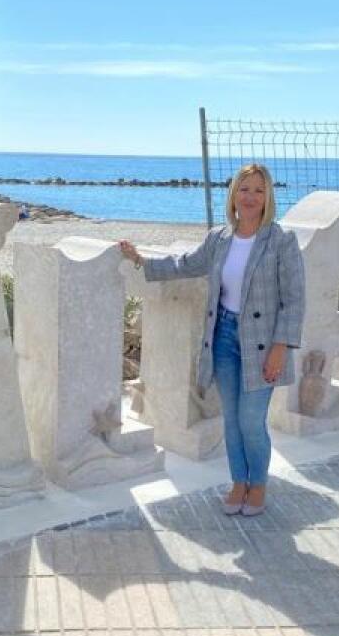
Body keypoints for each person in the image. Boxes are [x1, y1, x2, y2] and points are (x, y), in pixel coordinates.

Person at [118, 163, 305, 515]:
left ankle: (258, 485)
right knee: (231, 420)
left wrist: (281, 348)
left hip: (262, 344)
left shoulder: (281, 241)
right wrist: (142, 261)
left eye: (258, 190)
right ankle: (238, 482)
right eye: (244, 189)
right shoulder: (219, 238)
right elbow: (185, 264)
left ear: (268, 198)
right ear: (233, 193)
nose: (250, 197)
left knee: (252, 420)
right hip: (223, 338)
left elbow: (294, 299)